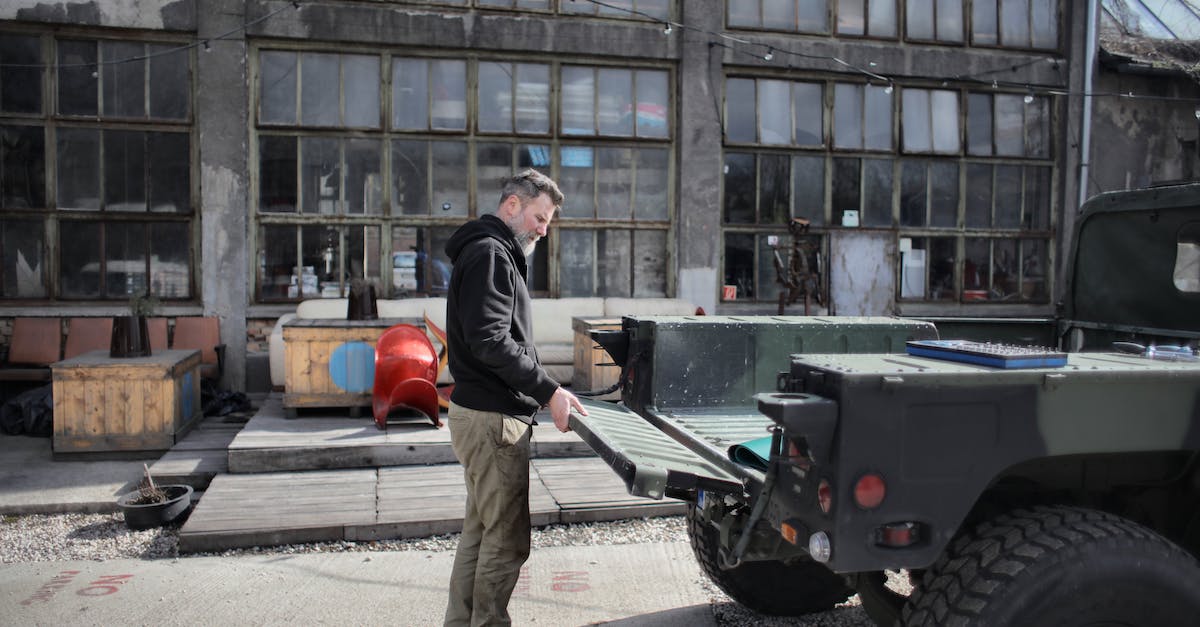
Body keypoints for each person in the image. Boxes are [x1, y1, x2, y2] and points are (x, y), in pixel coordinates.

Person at [442, 168, 588, 626]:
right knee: (504, 541)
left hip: (478, 412)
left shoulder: (489, 251)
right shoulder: (491, 254)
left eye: (548, 221)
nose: (544, 230)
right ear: (512, 205)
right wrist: (549, 390)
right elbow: (491, 341)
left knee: (480, 533)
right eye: (540, 218)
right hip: (493, 418)